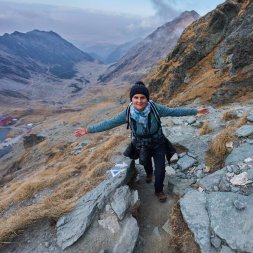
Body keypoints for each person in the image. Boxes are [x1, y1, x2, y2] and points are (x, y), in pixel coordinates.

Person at [75, 81, 208, 202]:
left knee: (160, 169)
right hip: (140, 144)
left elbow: (174, 111)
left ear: (147, 98)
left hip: (158, 143)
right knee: (145, 162)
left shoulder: (155, 108)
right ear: (131, 99)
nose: (139, 101)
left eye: (142, 97)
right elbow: (109, 123)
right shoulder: (127, 113)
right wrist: (88, 130)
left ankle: (159, 190)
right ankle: (149, 173)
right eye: (136, 97)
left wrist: (196, 111)